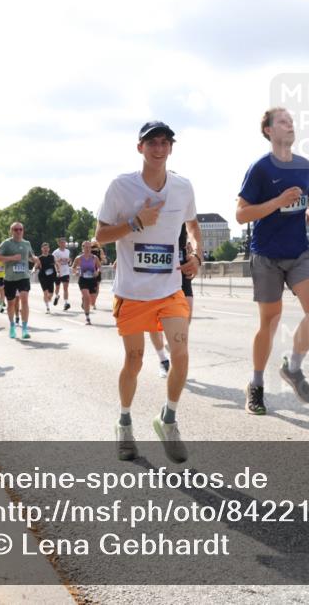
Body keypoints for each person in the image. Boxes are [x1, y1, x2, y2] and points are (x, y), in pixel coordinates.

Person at [96, 120, 203, 463]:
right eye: (151, 143)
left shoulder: (183, 187)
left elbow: (193, 226)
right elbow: (100, 236)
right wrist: (135, 223)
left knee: (181, 355)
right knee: (135, 360)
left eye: (164, 143)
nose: (158, 148)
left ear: (171, 148)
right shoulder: (120, 187)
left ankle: (167, 419)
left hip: (169, 288)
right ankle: (124, 423)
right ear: (139, 148)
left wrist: (197, 254)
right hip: (132, 291)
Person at [236, 107, 309, 416]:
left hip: (299, 250)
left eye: (292, 121)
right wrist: (277, 202)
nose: (290, 126)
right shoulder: (259, 168)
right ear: (269, 132)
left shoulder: (304, 166)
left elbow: (308, 200)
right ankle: (256, 385)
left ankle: (293, 367)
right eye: (283, 122)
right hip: (267, 255)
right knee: (270, 323)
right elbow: (241, 214)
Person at [148, 224, 195, 377]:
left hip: (180, 268)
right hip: (155, 267)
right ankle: (163, 360)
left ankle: (173, 348)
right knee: (154, 321)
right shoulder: (149, 204)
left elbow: (194, 231)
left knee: (186, 315)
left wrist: (195, 255)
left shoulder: (182, 204)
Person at [0, 222, 36, 340]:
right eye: (15, 229)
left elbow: (30, 256)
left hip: (24, 276)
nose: (18, 231)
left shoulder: (27, 243)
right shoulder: (6, 243)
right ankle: (12, 326)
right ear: (11, 231)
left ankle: (24, 328)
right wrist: (11, 258)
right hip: (10, 278)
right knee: (11, 303)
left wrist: (34, 259)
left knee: (24, 300)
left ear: (23, 231)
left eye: (20, 229)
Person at [72, 240, 101, 324]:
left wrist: (97, 272)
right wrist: (76, 272)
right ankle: (87, 318)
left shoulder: (94, 258)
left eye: (89, 247)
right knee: (87, 296)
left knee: (92, 301)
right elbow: (73, 267)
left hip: (92, 280)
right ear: (83, 248)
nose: (88, 249)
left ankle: (83, 300)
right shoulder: (79, 258)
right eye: (86, 247)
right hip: (83, 279)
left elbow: (99, 267)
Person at [34, 242, 58, 313]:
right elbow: (36, 265)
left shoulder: (52, 257)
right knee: (45, 292)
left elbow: (56, 264)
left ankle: (47, 300)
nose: (45, 250)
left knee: (50, 294)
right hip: (43, 277)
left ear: (49, 249)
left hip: (51, 277)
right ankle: (47, 308)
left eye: (47, 248)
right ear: (42, 249)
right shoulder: (39, 258)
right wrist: (34, 270)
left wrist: (59, 271)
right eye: (44, 248)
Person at [53, 236, 72, 311]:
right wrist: (59, 260)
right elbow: (54, 262)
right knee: (57, 287)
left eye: (64, 242)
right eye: (61, 242)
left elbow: (69, 261)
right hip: (58, 272)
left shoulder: (68, 251)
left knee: (65, 288)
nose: (63, 244)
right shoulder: (55, 252)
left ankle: (66, 303)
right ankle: (57, 296)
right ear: (59, 243)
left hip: (66, 271)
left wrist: (68, 260)